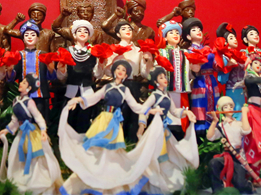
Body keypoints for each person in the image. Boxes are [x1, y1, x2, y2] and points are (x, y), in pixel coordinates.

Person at [58, 60, 165, 195]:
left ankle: (110, 186)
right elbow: (94, 98)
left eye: (124, 70)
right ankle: (89, 181)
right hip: (103, 121)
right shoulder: (107, 87)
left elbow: (135, 106)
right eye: (118, 68)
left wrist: (150, 110)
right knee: (96, 153)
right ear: (114, 71)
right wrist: (79, 100)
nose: (120, 71)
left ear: (126, 75)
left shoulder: (125, 90)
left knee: (112, 156)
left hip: (114, 123)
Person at [0, 74, 63, 195]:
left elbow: (38, 116)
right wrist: (7, 130)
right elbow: (15, 120)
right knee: (16, 155)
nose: (20, 84)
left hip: (32, 132)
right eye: (21, 82)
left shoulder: (30, 102)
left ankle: (35, 177)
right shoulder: (15, 100)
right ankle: (22, 175)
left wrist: (43, 130)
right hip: (22, 132)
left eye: (24, 83)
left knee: (34, 156)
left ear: (29, 88)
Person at [138, 67, 199, 195]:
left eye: (165, 77)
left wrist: (186, 112)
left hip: (164, 130)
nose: (164, 79)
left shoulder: (167, 95)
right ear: (156, 82)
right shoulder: (154, 96)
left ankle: (165, 182)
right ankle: (157, 183)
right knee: (157, 157)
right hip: (155, 130)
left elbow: (174, 111)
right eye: (161, 77)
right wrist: (142, 125)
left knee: (169, 155)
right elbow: (143, 109)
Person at [98, 19, 150, 143]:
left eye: (129, 29)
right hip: (118, 84)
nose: (127, 30)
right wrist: (114, 60)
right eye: (123, 29)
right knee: (119, 111)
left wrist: (148, 60)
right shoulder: (113, 50)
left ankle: (132, 139)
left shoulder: (138, 51)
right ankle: (117, 138)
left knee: (133, 112)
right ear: (118, 34)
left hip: (133, 84)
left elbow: (144, 72)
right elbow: (107, 72)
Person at [2, 20, 55, 127]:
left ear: (38, 38)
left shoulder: (44, 55)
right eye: (26, 35)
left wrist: (51, 69)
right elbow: (12, 78)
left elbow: (52, 77)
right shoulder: (18, 55)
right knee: (25, 122)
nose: (30, 37)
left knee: (40, 122)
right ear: (23, 38)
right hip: (25, 96)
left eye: (33, 34)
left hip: (40, 95)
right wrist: (10, 70)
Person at [55, 20, 100, 133]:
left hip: (88, 91)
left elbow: (97, 74)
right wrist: (61, 69)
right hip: (71, 91)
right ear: (74, 35)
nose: (82, 33)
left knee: (85, 121)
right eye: (79, 31)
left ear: (89, 36)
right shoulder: (67, 51)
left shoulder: (93, 52)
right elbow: (61, 77)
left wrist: (102, 64)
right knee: (70, 121)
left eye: (86, 31)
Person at [207, 96, 253, 194]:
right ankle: (217, 189)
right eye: (226, 107)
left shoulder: (238, 123)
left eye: (231, 106)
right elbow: (210, 137)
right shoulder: (221, 126)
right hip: (227, 155)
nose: (229, 108)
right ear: (221, 110)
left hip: (239, 156)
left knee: (240, 184)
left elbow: (247, 130)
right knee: (213, 163)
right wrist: (214, 121)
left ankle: (248, 185)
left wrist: (244, 113)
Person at [182, 17, 218, 133]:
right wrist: (194, 68)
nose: (198, 31)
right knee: (200, 103)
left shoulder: (208, 49)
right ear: (188, 37)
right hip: (199, 81)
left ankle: (214, 127)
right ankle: (201, 129)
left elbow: (216, 65)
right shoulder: (188, 51)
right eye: (194, 30)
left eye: (199, 29)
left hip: (211, 80)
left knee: (214, 102)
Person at [214, 22, 246, 120]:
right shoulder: (224, 57)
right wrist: (228, 66)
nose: (235, 40)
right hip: (232, 91)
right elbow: (222, 80)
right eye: (231, 38)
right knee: (234, 115)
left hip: (242, 91)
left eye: (235, 37)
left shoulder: (241, 55)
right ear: (225, 42)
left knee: (243, 115)